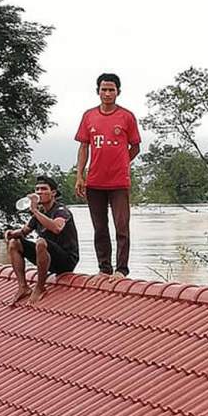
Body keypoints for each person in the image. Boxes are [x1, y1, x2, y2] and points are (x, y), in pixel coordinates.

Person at [74, 72, 141, 277]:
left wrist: (122, 162)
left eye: (111, 89)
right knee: (99, 228)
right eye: (104, 89)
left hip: (119, 182)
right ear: (98, 91)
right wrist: (80, 176)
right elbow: (83, 147)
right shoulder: (89, 116)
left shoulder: (126, 116)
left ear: (118, 92)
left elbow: (136, 147)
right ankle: (104, 268)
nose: (107, 93)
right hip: (95, 181)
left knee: (122, 226)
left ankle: (121, 270)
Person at [4, 176, 80, 304]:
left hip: (66, 260)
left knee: (40, 242)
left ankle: (40, 287)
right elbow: (24, 232)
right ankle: (23, 287)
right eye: (37, 189)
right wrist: (11, 233)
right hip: (46, 255)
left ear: (53, 193)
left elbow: (57, 228)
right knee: (14, 243)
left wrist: (34, 211)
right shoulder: (38, 214)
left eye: (44, 189)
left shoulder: (61, 211)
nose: (39, 192)